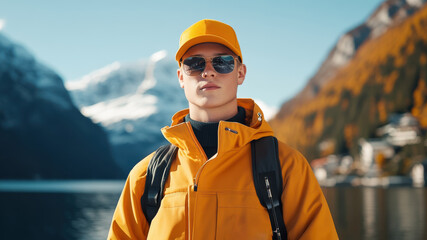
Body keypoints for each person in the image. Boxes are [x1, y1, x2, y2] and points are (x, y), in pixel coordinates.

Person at [108, 19, 338, 239]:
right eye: (194, 63)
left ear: (240, 73)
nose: (208, 71)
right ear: (180, 76)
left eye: (223, 62)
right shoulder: (146, 176)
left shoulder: (286, 168)